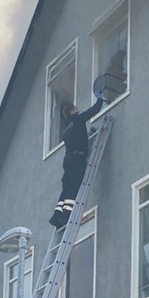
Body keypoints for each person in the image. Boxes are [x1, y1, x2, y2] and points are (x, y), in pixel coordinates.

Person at [49, 92, 105, 228]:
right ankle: (65, 217)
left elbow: (77, 137)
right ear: (73, 111)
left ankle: (56, 215)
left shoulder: (66, 129)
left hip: (68, 160)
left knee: (66, 188)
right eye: (76, 108)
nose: (78, 109)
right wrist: (100, 99)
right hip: (77, 158)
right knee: (73, 188)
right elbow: (93, 111)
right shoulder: (77, 119)